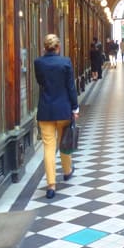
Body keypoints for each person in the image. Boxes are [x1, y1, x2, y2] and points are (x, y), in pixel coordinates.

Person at [34, 34, 79, 199]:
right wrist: (75, 107)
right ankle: (67, 171)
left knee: (48, 147)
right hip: (63, 110)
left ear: (45, 47)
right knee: (64, 142)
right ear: (58, 47)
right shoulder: (65, 62)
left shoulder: (38, 63)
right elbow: (71, 87)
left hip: (46, 111)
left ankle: (51, 185)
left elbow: (40, 82)